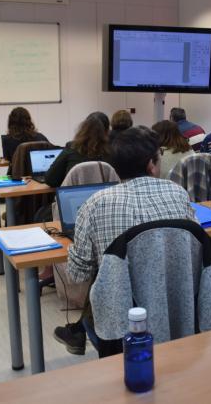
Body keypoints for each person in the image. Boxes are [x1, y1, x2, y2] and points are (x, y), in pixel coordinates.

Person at [54, 126, 196, 354]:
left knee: (100, 285)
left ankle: (78, 332)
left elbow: (77, 273)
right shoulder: (178, 193)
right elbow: (196, 248)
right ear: (152, 164)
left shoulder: (94, 204)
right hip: (177, 307)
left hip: (120, 323)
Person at [44, 115, 110, 188]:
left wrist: (67, 179)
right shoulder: (110, 151)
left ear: (82, 130)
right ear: (106, 131)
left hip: (75, 197)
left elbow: (50, 179)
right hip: (103, 197)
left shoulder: (71, 147)